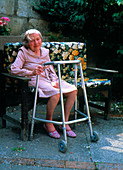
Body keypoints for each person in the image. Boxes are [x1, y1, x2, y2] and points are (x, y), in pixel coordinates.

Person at [11, 29, 77, 139]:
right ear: (27, 43)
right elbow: (13, 69)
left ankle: (64, 123)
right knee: (55, 93)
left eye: (38, 39)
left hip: (48, 79)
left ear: (41, 40)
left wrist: (54, 80)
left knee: (73, 90)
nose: (36, 43)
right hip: (33, 79)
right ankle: (48, 123)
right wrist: (31, 72)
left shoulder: (45, 52)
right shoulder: (23, 52)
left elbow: (50, 68)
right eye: (32, 41)